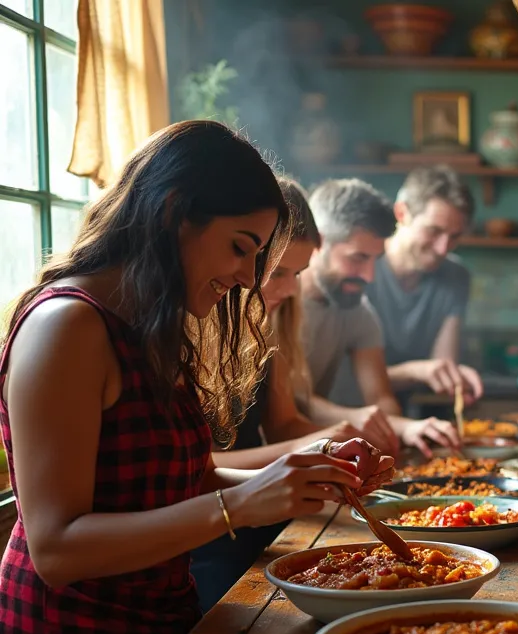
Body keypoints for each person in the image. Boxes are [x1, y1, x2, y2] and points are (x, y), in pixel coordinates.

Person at [0, 121, 395, 634]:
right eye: (241, 249)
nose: (247, 278)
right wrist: (239, 504)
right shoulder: (66, 325)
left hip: (159, 614)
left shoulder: (148, 324)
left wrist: (297, 475)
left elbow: (173, 478)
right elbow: (57, 548)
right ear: (175, 212)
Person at [190, 177, 377, 610]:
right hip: (205, 539)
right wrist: (310, 446)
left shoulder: (270, 323)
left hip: (257, 519)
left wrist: (330, 447)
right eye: (279, 272)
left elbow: (283, 423)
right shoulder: (191, 329)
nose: (292, 289)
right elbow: (194, 470)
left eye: (298, 273)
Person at [299, 178, 460, 455]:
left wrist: (408, 428)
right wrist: (359, 418)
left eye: (375, 260)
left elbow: (380, 397)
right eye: (358, 258)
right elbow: (293, 402)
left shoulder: (358, 312)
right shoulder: (278, 303)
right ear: (319, 242)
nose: (369, 276)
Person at [331, 165, 484, 410]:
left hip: (408, 412)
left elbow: (442, 364)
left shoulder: (456, 276)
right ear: (402, 213)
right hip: (348, 412)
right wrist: (416, 372)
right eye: (434, 231)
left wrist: (454, 378)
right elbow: (340, 381)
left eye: (455, 236)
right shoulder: (360, 268)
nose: (443, 248)